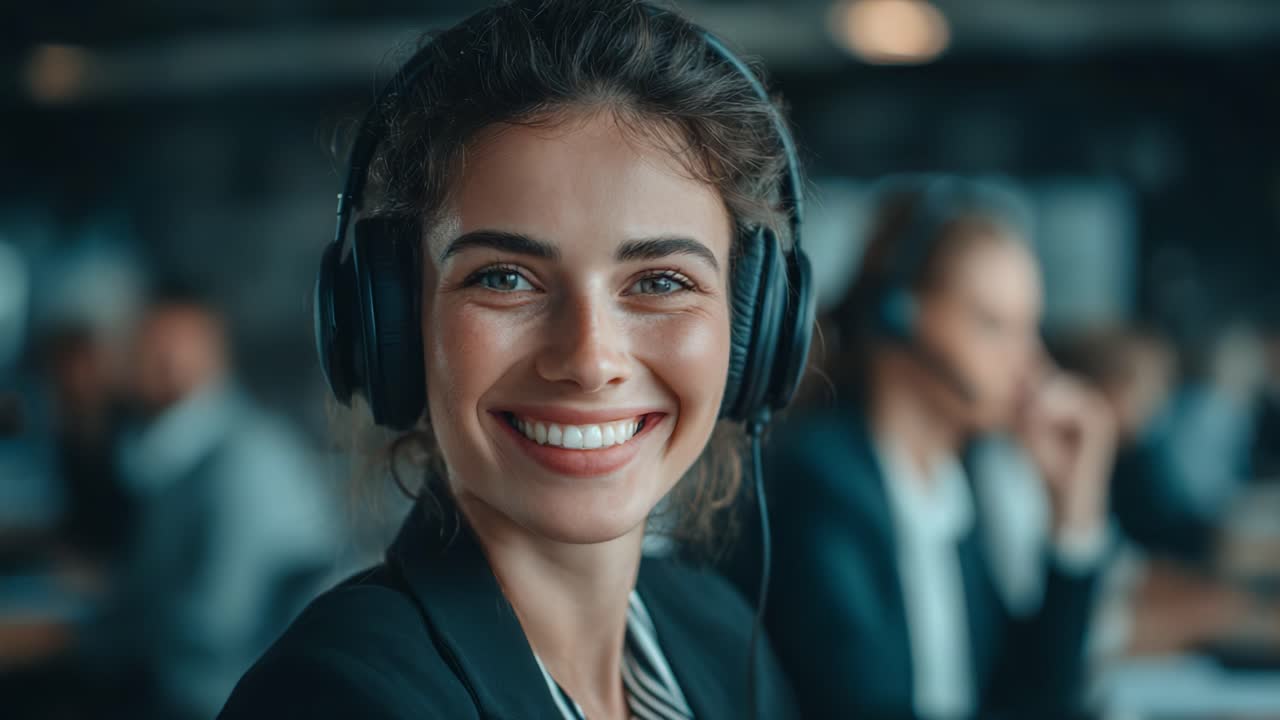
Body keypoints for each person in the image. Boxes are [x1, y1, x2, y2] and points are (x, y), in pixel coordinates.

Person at [219, 1, 811, 718]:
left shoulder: (720, 635)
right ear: (395, 324)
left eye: (661, 282)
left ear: (755, 326)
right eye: (504, 278)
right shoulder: (336, 697)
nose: (589, 360)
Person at [731, 175, 1118, 720]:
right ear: (899, 313)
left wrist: (1074, 509)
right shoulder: (819, 482)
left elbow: (1032, 695)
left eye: (1030, 329)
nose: (1031, 365)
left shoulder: (950, 482)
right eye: (994, 326)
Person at [84, 290, 340, 719]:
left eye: (159, 347)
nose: (139, 362)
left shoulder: (243, 462)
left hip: (214, 696)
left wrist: (93, 627)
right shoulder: (182, 451)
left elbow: (219, 621)